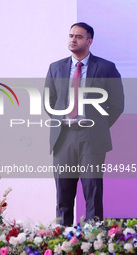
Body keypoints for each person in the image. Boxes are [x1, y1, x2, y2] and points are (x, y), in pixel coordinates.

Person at [44, 22, 124, 226]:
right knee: (63, 195)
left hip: (91, 138)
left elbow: (116, 104)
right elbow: (49, 102)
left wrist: (98, 125)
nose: (73, 39)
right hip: (63, 138)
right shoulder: (56, 68)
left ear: (89, 41)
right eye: (71, 35)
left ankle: (93, 240)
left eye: (78, 36)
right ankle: (61, 239)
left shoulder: (106, 67)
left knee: (93, 193)